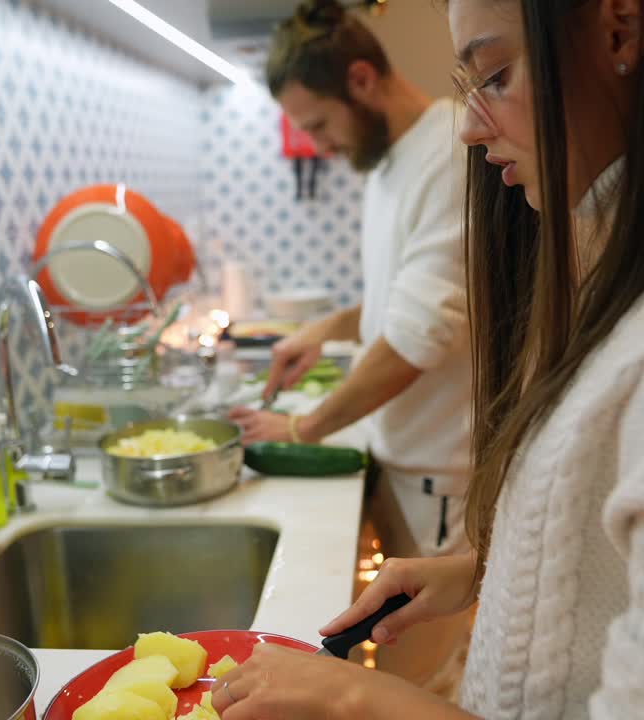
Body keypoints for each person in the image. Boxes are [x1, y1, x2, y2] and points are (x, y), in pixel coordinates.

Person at [211, 1, 644, 718]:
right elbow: (624, 525)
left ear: (620, 28)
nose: (471, 129)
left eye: (496, 76)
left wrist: (354, 697)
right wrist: (488, 571)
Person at [227, 0, 476, 693]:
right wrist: (327, 328)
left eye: (317, 124)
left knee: (414, 677)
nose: (318, 144)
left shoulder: (450, 155)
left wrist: (303, 427)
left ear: (361, 80)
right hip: (404, 457)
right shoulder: (392, 161)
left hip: (440, 471)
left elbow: (417, 338)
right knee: (401, 660)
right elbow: (405, 299)